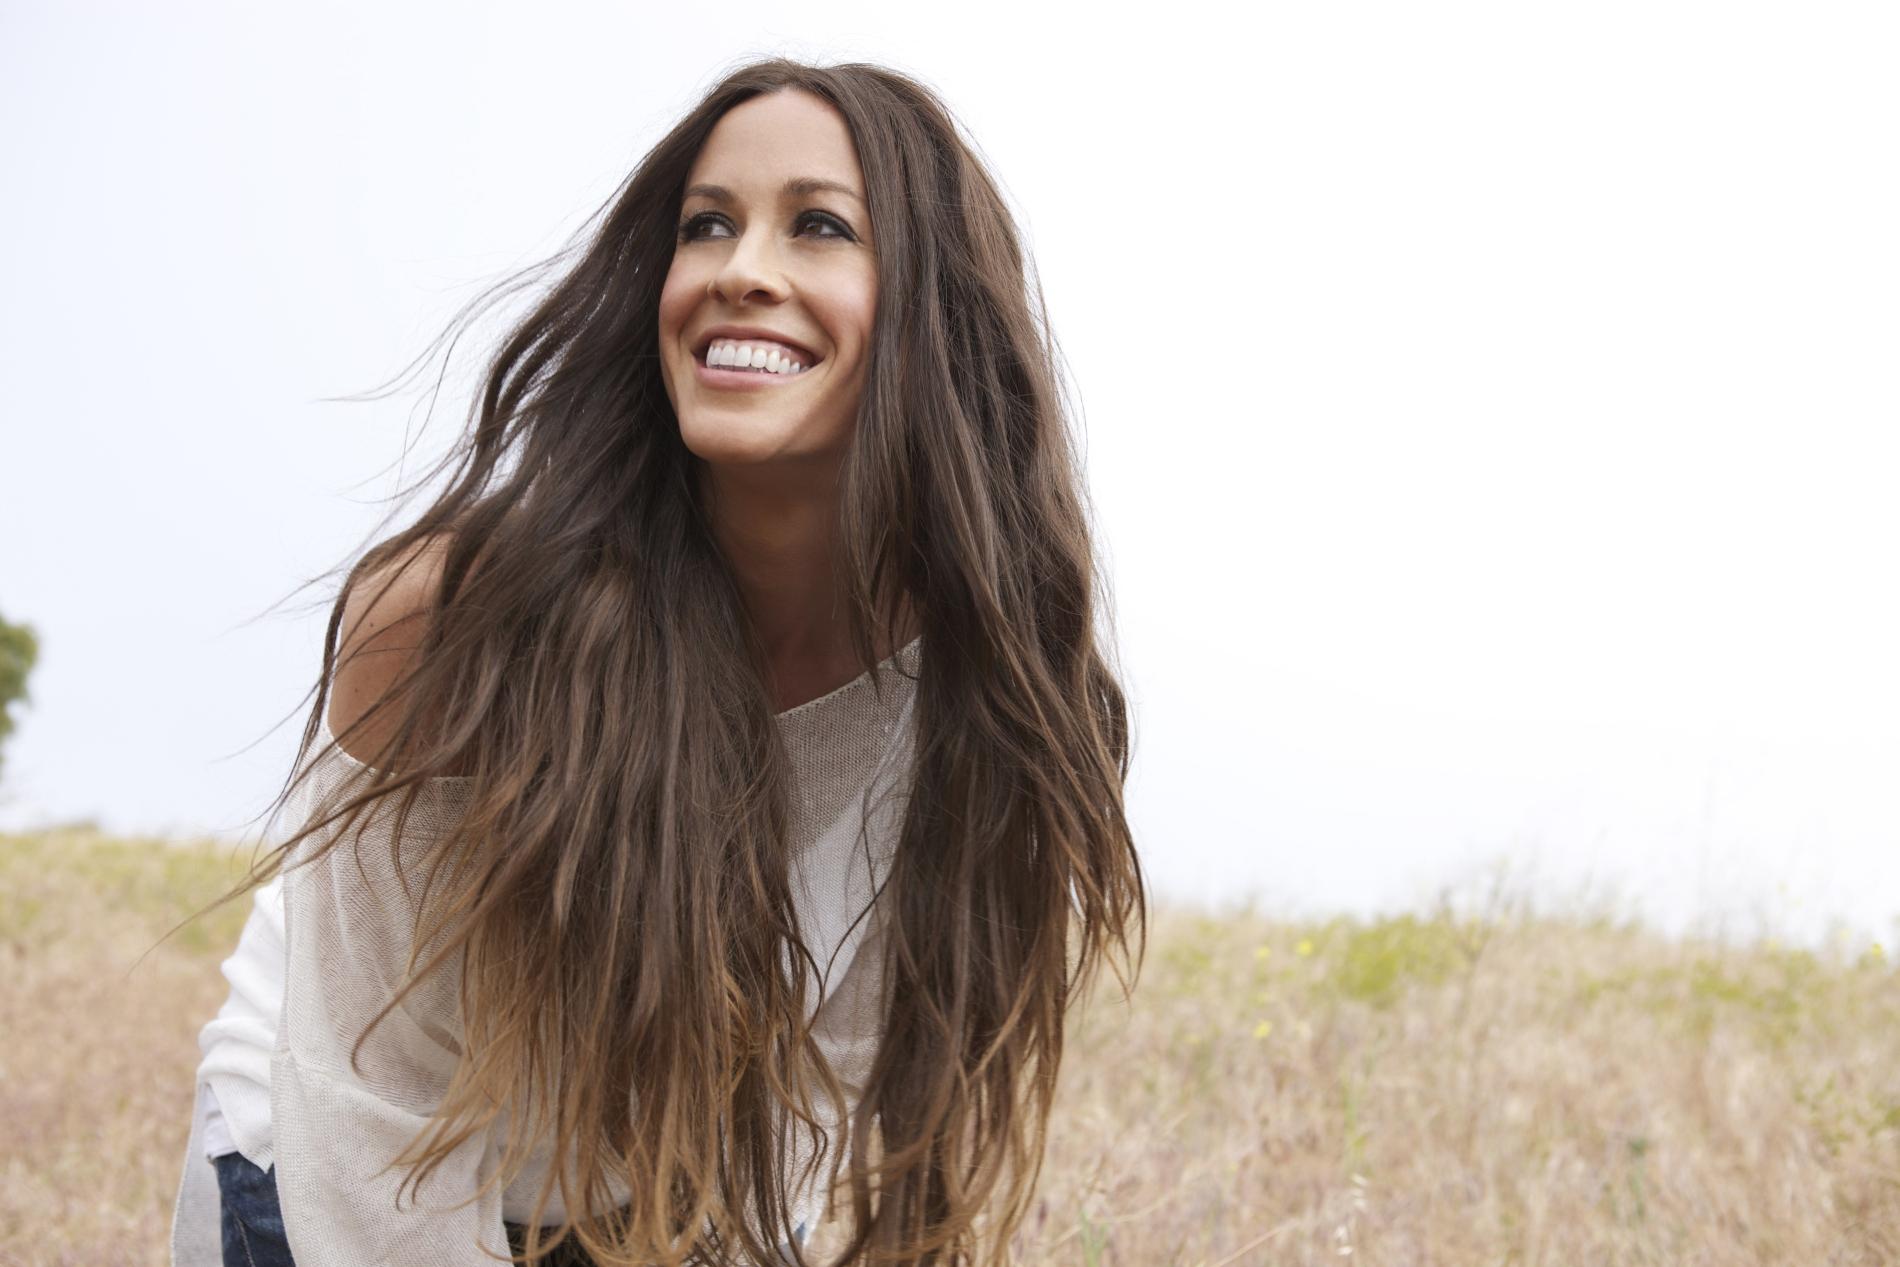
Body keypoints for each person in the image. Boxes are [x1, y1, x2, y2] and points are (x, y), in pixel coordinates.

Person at [166, 56, 1143, 1267]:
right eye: (706, 225)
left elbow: (817, 1098)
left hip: (658, 1193)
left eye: (819, 226)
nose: (741, 269)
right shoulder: (450, 620)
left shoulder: (972, 680)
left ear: (932, 311)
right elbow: (369, 1107)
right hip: (330, 1170)